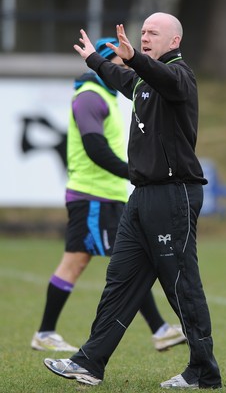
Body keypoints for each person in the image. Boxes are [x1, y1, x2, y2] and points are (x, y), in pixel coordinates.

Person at [44, 12, 222, 390]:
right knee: (120, 282)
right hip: (141, 198)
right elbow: (126, 78)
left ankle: (204, 372)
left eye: (153, 33)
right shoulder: (144, 79)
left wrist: (136, 59)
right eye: (143, 32)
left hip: (173, 196)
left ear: (174, 41)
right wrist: (96, 59)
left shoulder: (179, 76)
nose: (145, 37)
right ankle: (88, 363)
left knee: (181, 285)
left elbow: (158, 78)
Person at [31, 37, 186, 353]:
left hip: (105, 196)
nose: (128, 67)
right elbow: (95, 148)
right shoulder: (89, 96)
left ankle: (47, 332)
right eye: (121, 62)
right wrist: (134, 172)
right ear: (104, 63)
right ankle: (157, 330)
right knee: (103, 262)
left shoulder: (105, 95)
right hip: (93, 197)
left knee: (107, 261)